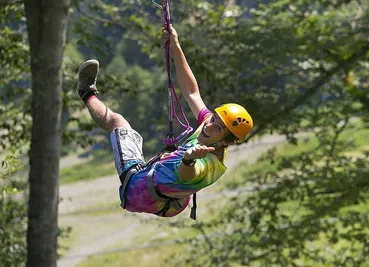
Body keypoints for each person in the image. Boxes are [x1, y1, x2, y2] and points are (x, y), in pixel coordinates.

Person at [76, 25, 253, 218]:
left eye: (217, 127)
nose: (208, 125)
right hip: (171, 199)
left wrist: (189, 159)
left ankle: (86, 93)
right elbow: (192, 92)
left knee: (117, 122)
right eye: (213, 119)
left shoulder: (209, 166)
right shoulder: (209, 127)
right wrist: (175, 45)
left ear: (226, 141)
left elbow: (188, 175)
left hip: (140, 191)